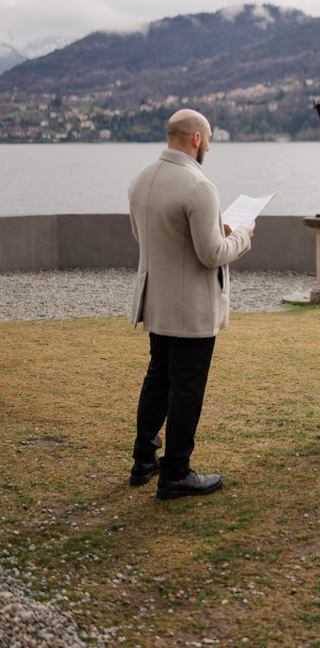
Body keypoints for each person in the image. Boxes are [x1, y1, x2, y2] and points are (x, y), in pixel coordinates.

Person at [127, 108, 254, 499]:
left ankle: (144, 460)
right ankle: (176, 472)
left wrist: (218, 229)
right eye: (210, 140)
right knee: (186, 388)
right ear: (197, 138)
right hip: (191, 308)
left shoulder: (141, 178)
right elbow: (212, 254)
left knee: (158, 377)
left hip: (156, 299)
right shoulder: (199, 186)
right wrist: (244, 235)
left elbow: (150, 238)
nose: (210, 147)